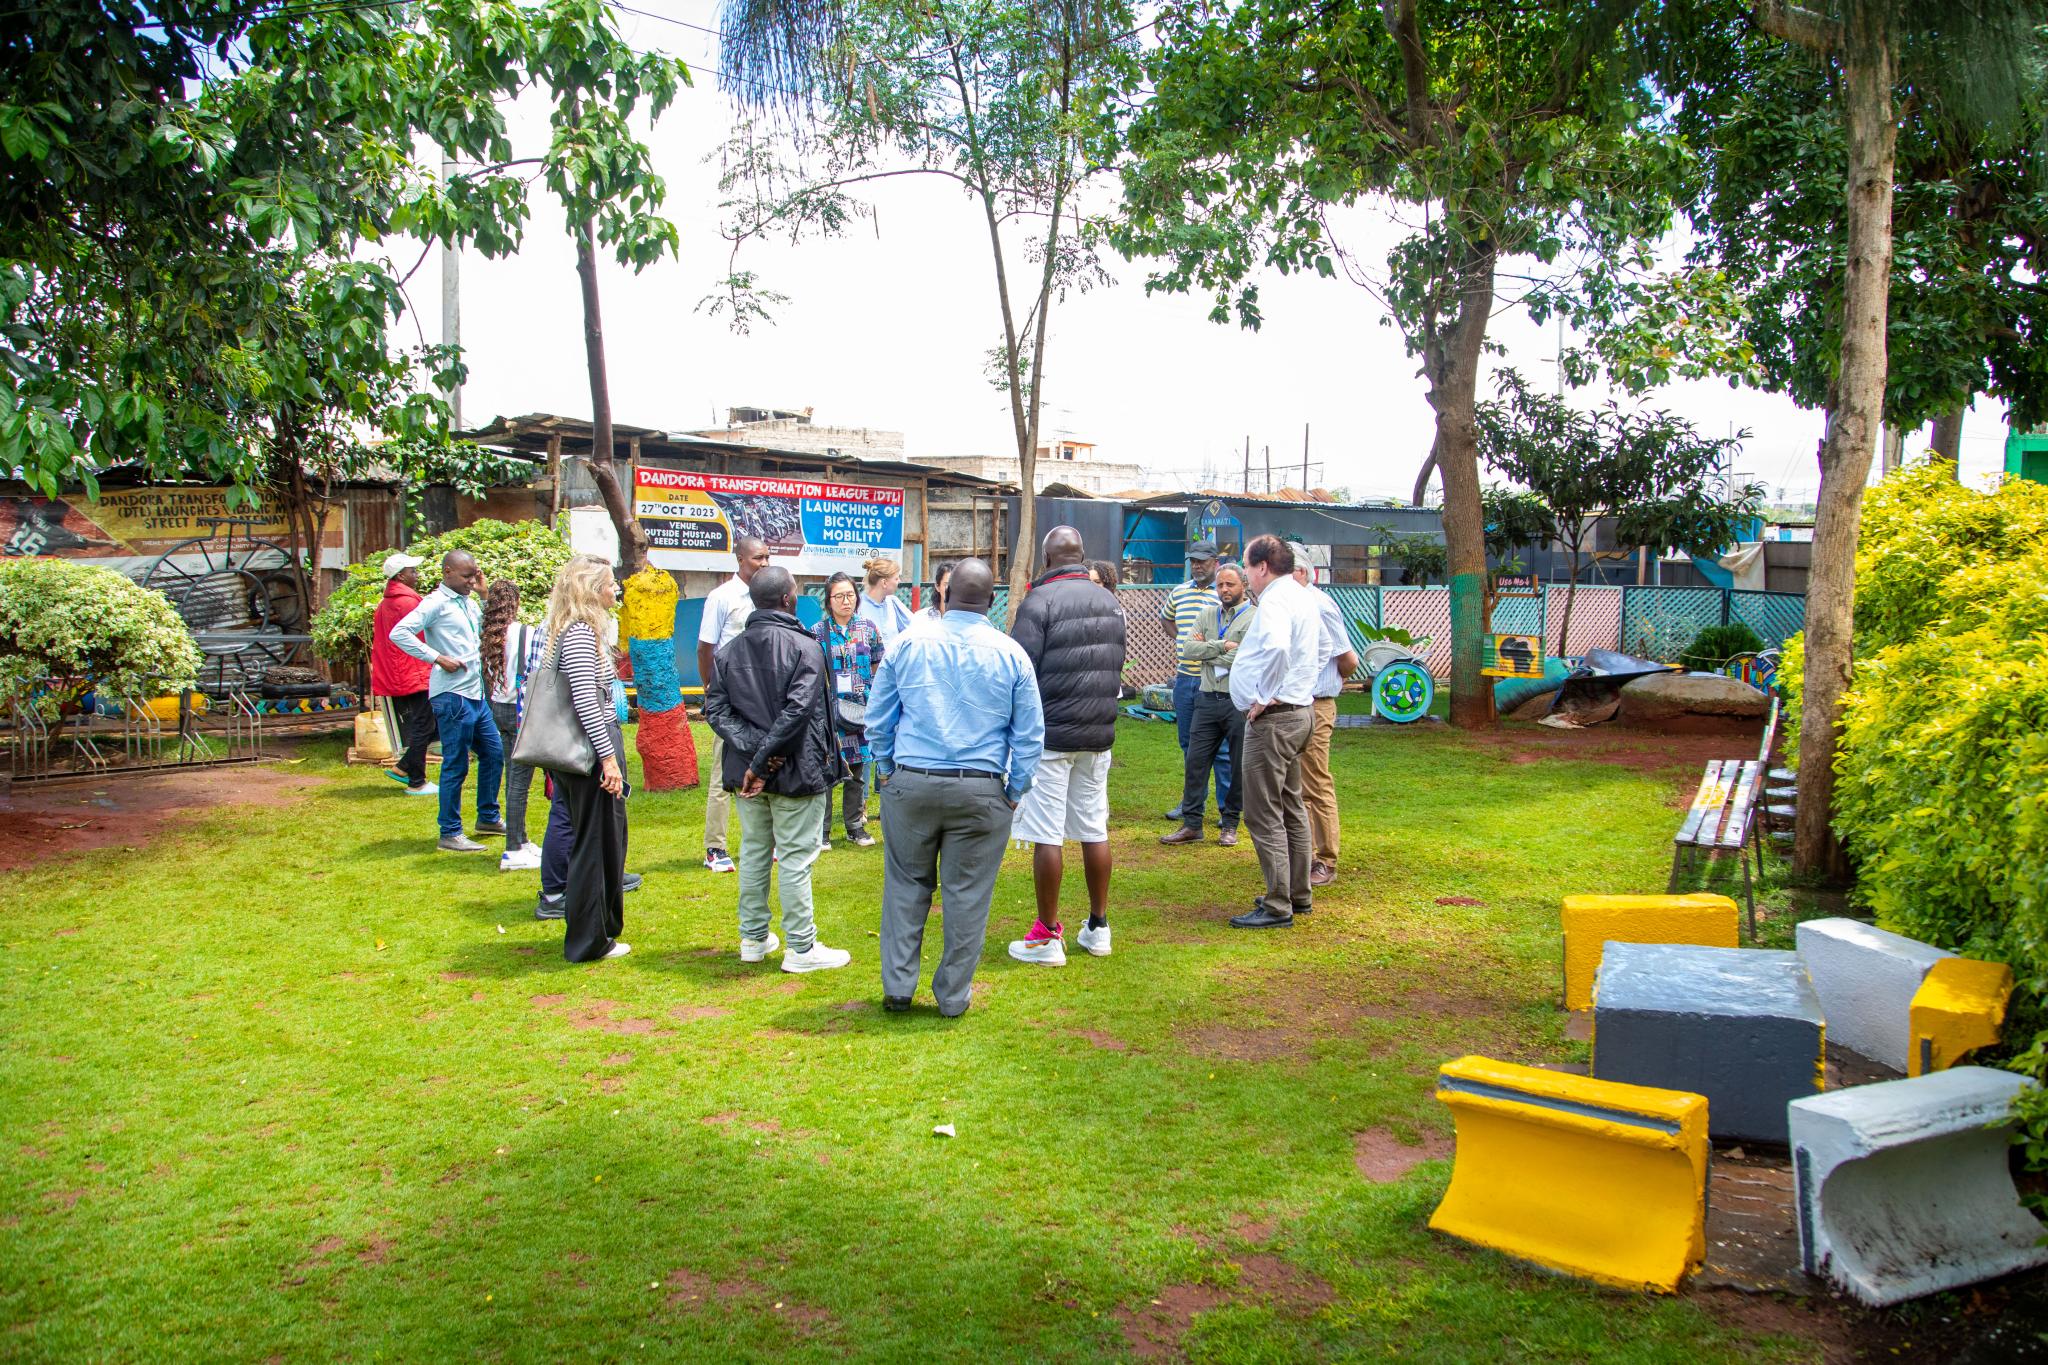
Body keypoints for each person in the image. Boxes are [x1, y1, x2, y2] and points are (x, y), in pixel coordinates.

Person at [869, 558, 1043, 1015]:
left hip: (911, 783)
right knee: (967, 896)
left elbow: (878, 720)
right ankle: (951, 997)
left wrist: (887, 770)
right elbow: (1029, 736)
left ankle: (899, 987)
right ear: (992, 600)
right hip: (981, 790)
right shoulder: (1011, 654)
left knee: (905, 886)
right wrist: (1014, 790)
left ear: (945, 595)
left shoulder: (905, 644)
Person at [704, 566, 853, 973]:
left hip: (758, 772)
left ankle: (753, 937)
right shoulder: (800, 648)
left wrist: (757, 761)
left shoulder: (732, 651)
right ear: (789, 599)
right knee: (790, 857)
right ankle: (799, 947)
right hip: (791, 772)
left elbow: (791, 712)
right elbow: (724, 711)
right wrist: (762, 758)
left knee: (756, 852)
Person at [1005, 526, 1127, 967]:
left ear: (1046, 558)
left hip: (1051, 737)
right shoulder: (1111, 602)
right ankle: (1099, 926)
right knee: (1094, 828)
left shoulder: (1038, 602)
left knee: (1046, 833)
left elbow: (1019, 671)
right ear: (1081, 555)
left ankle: (1046, 936)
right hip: (1098, 736)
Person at [537, 555, 631, 961]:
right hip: (590, 749)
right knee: (594, 843)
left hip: (593, 746)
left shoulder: (579, 630)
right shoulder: (579, 632)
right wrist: (607, 758)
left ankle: (600, 931)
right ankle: (589, 940)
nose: (616, 590)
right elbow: (585, 701)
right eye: (611, 584)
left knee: (604, 840)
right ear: (593, 590)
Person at [1225, 535, 1322, 929]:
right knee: (1291, 807)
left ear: (1262, 566)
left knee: (1264, 813)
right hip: (1300, 712)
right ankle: (1298, 893)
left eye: (1247, 567)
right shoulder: (1301, 594)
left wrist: (1264, 696)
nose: (1246, 575)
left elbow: (1279, 649)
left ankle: (1278, 902)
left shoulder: (1277, 600)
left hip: (1276, 719)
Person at [389, 549, 505, 853]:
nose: (471, 580)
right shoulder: (435, 603)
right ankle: (450, 831)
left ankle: (488, 817)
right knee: (455, 763)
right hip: (452, 695)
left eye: (474, 575)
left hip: (476, 693)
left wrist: (482, 595)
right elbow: (399, 633)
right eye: (467, 576)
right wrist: (437, 657)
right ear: (447, 573)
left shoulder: (467, 602)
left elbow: (486, 631)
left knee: (494, 754)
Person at [1160, 562, 1256, 847]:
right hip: (1206, 698)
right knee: (1195, 761)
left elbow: (1243, 659)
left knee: (1236, 764)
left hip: (1237, 702)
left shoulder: (1254, 619)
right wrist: (1221, 646)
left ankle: (1230, 825)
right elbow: (1188, 649)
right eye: (1220, 585)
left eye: (1230, 584)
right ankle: (1192, 825)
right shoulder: (1206, 614)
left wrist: (1208, 649)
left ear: (1244, 585)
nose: (1224, 590)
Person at [697, 536, 771, 874]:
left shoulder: (767, 596)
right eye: (758, 558)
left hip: (762, 698)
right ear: (739, 559)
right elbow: (706, 647)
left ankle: (762, 842)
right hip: (730, 699)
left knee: (764, 766)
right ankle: (715, 847)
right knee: (722, 772)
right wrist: (711, 688)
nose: (764, 564)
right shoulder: (722, 597)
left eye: (768, 557)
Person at [1293, 564, 1360, 887]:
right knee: (1297, 785)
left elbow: (1348, 660)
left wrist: (1327, 686)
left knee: (1316, 781)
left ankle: (1326, 859)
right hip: (1295, 704)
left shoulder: (1320, 605)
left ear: (1302, 571)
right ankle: (1304, 857)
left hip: (1317, 703)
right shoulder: (1290, 603)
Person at [812, 572, 883, 850]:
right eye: (839, 596)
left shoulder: (868, 628)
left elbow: (878, 663)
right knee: (827, 770)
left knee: (857, 771)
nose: (846, 601)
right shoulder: (818, 632)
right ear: (829, 601)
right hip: (829, 713)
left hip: (861, 712)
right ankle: (823, 831)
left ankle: (855, 826)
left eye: (850, 595)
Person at [480, 579, 545, 871]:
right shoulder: (523, 632)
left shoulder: (488, 634)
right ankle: (513, 848)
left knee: (512, 777)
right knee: (520, 782)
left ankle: (520, 838)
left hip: (497, 708)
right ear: (515, 604)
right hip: (519, 710)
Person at [1161, 541, 1225, 824]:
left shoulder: (1223, 592)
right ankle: (1191, 803)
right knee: (1189, 745)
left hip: (1215, 681)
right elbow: (1165, 619)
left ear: (1215, 562)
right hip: (1185, 679)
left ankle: (1227, 808)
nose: (1197, 566)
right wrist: (1180, 639)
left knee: (1222, 748)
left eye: (1202, 561)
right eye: (1193, 561)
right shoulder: (1180, 592)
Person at [370, 552, 437, 797]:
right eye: (412, 571)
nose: (416, 575)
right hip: (413, 671)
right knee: (424, 724)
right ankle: (415, 779)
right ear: (401, 576)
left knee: (424, 723)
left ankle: (404, 768)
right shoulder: (406, 602)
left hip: (402, 671)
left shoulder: (389, 602)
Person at [857, 556, 915, 645]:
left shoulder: (893, 602)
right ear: (884, 583)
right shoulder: (858, 606)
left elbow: (914, 627)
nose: (899, 581)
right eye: (896, 578)